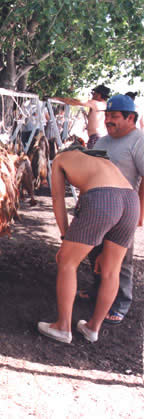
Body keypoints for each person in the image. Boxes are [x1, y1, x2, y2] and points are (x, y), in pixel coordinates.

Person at [38, 143, 139, 343]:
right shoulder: (98, 161)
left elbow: (58, 199)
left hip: (104, 198)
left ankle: (63, 327)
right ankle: (93, 329)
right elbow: (98, 205)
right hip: (131, 201)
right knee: (111, 271)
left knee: (67, 262)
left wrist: (65, 237)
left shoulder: (60, 159)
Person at [81, 94, 144, 324]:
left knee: (120, 261)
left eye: (114, 116)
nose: (108, 120)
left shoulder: (139, 141)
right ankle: (97, 291)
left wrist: (140, 211)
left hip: (124, 212)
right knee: (95, 252)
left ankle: (121, 303)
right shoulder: (103, 141)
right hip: (98, 210)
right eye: (106, 115)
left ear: (130, 118)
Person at [52, 84, 110, 149]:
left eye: (94, 93)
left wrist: (57, 99)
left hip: (96, 138)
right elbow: (94, 120)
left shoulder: (96, 103)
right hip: (98, 137)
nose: (93, 95)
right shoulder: (104, 105)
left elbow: (75, 102)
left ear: (99, 94)